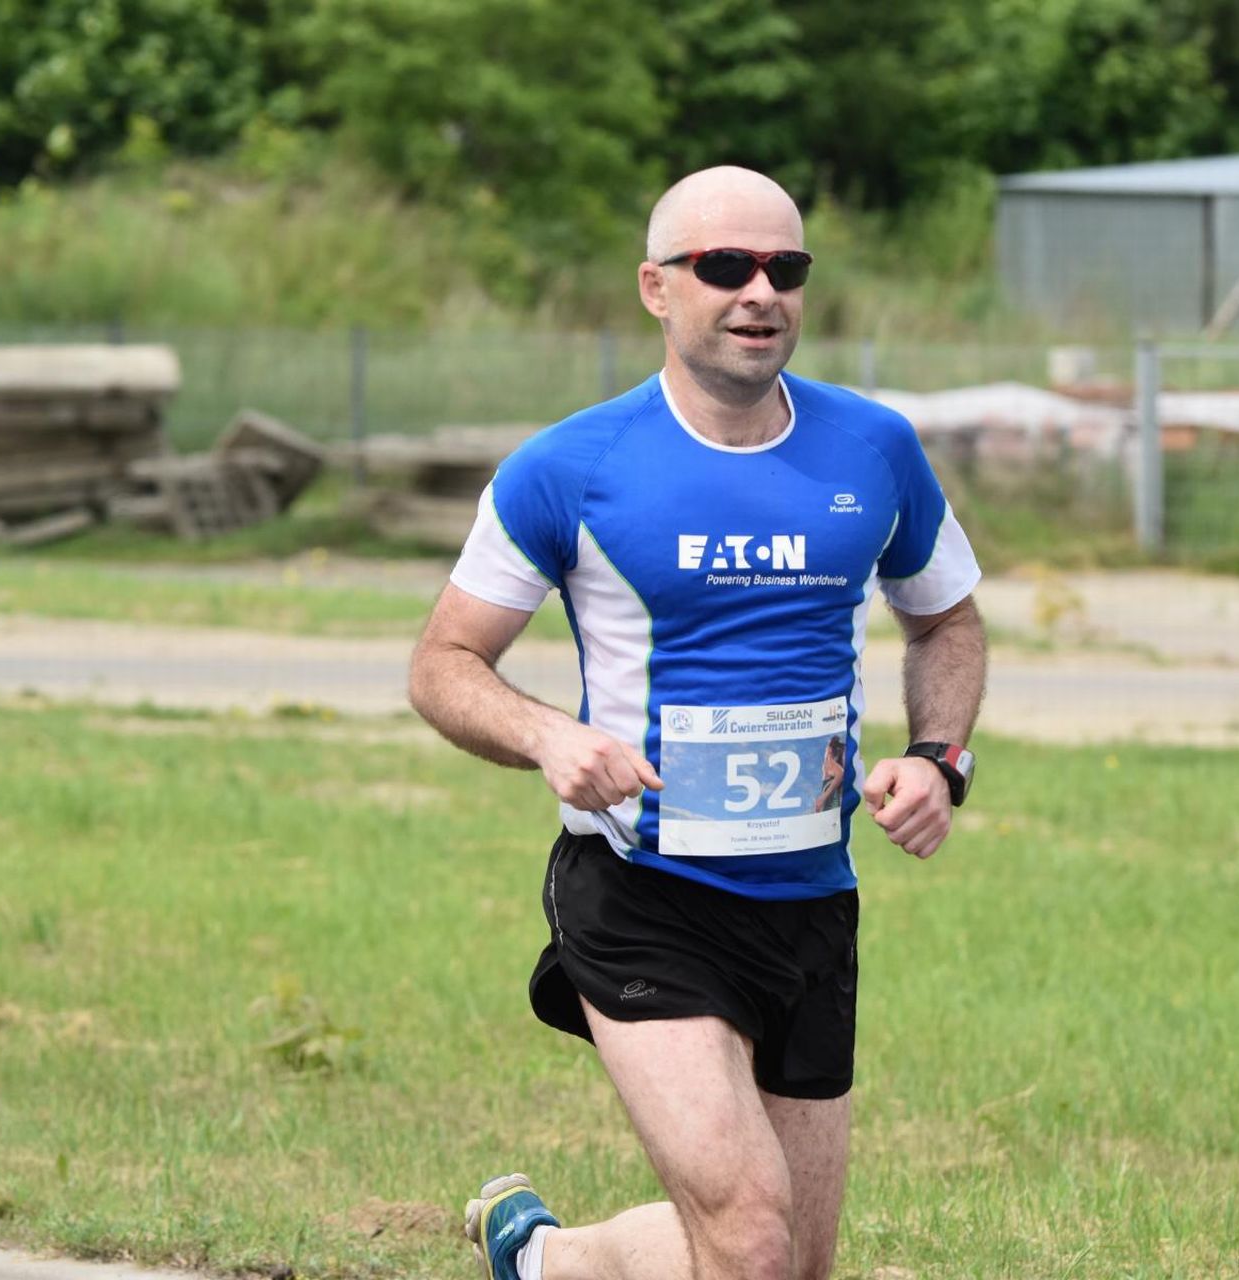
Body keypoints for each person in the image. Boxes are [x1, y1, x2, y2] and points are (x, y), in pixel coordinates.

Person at [409, 165, 987, 1280]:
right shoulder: (570, 467)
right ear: (656, 288)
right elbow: (442, 663)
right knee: (753, 1237)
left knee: (786, 1260)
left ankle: (546, 1260)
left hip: (811, 899)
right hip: (643, 893)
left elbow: (947, 621)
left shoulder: (875, 449)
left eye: (785, 269)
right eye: (725, 266)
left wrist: (936, 758)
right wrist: (549, 737)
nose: (759, 292)